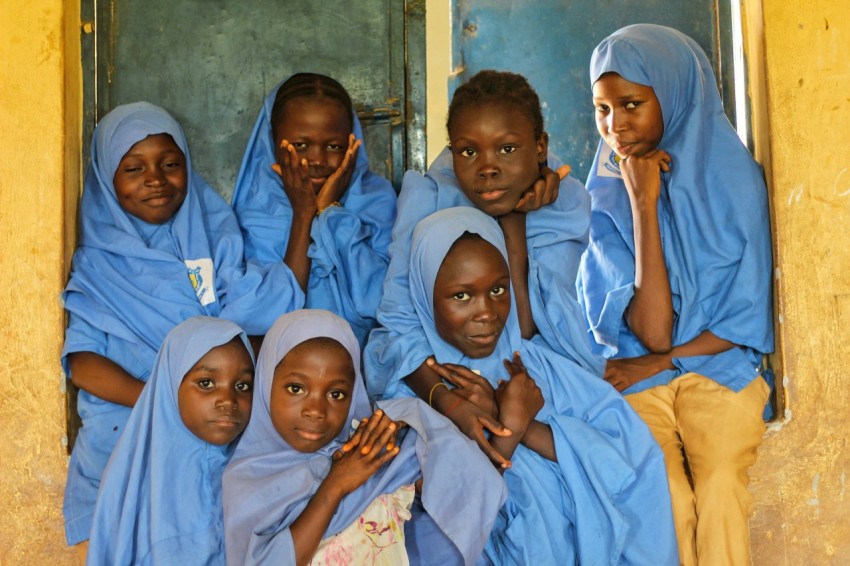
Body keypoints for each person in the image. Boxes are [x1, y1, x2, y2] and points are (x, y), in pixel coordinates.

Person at [61, 102, 301, 549]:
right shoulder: (98, 264)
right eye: (134, 168)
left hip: (216, 420)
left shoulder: (213, 237)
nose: (155, 179)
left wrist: (304, 215)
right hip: (130, 422)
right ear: (107, 179)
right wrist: (164, 403)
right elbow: (82, 363)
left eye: (170, 164)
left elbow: (264, 314)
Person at [578, 24, 774, 566]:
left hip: (719, 367)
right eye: (602, 109)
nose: (615, 125)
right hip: (636, 373)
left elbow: (741, 323)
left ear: (676, 93)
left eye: (632, 104)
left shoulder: (735, 185)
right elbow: (653, 331)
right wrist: (642, 203)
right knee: (661, 491)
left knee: (720, 484)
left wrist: (660, 362)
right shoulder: (605, 197)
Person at [396, 207, 677, 564]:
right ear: (425, 296)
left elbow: (627, 464)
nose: (487, 313)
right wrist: (509, 429)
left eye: (498, 289)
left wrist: (523, 424)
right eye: (461, 296)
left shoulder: (541, 364)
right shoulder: (417, 394)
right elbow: (447, 523)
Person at [366, 70, 604, 457]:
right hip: (439, 383)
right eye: (468, 151)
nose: (487, 168)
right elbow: (398, 327)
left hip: (526, 381)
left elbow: (524, 329)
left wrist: (514, 219)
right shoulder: (428, 197)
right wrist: (450, 403)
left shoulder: (564, 204)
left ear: (540, 147)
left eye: (507, 149)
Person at [222, 309, 506, 566]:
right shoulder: (247, 479)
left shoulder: (374, 445)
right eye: (296, 389)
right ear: (266, 384)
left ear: (354, 393)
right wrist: (335, 486)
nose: (316, 411)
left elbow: (464, 497)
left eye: (336, 394)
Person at [231, 73, 397, 346]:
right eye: (300, 145)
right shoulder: (255, 211)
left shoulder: (376, 200)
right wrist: (304, 214)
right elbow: (261, 317)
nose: (317, 160)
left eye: (334, 146)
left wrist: (330, 212)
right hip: (282, 364)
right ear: (271, 141)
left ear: (352, 143)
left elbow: (380, 302)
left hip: (365, 359)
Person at [86, 316, 254, 564]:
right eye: (206, 383)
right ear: (170, 386)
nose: (228, 400)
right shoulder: (131, 483)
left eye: (242, 386)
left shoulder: (256, 471)